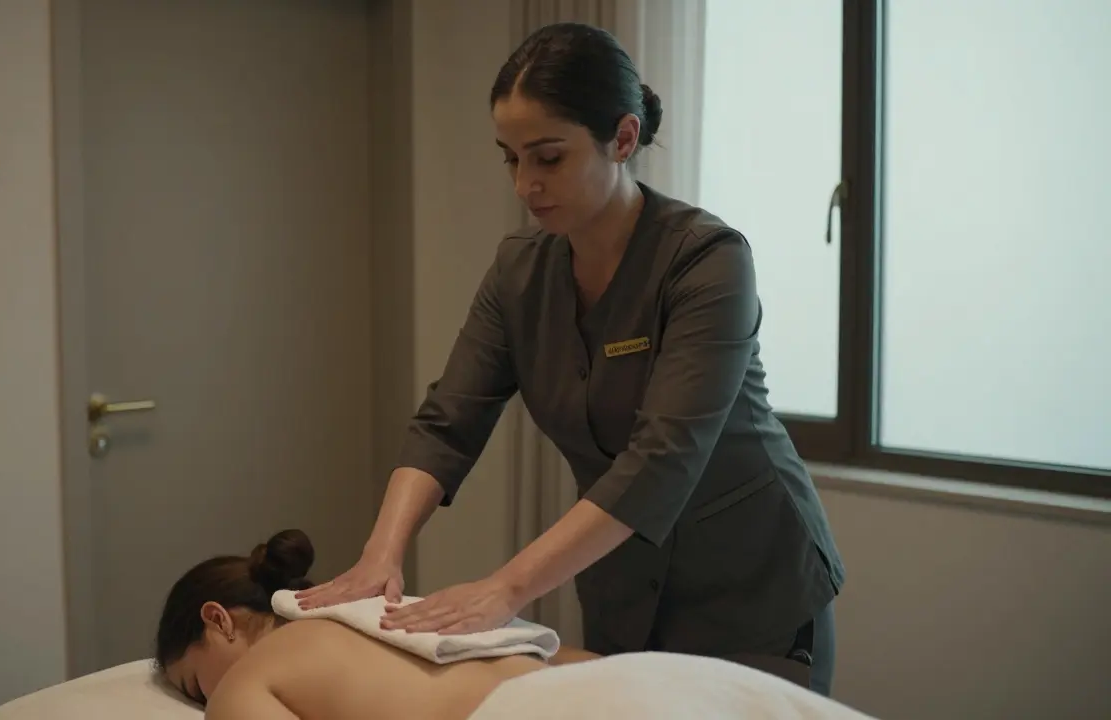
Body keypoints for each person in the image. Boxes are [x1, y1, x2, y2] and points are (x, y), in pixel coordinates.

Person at [294, 21, 847, 696]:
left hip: (752, 586)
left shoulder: (707, 260)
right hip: (623, 589)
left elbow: (662, 457)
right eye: (511, 158)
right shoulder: (519, 272)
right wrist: (380, 556)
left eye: (548, 157)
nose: (526, 184)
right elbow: (448, 422)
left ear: (622, 139)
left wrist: (504, 589)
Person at [154, 529, 599, 718]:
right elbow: (549, 655)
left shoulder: (241, 688)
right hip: (615, 691)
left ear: (217, 621)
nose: (200, 702)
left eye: (194, 686)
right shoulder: (379, 610)